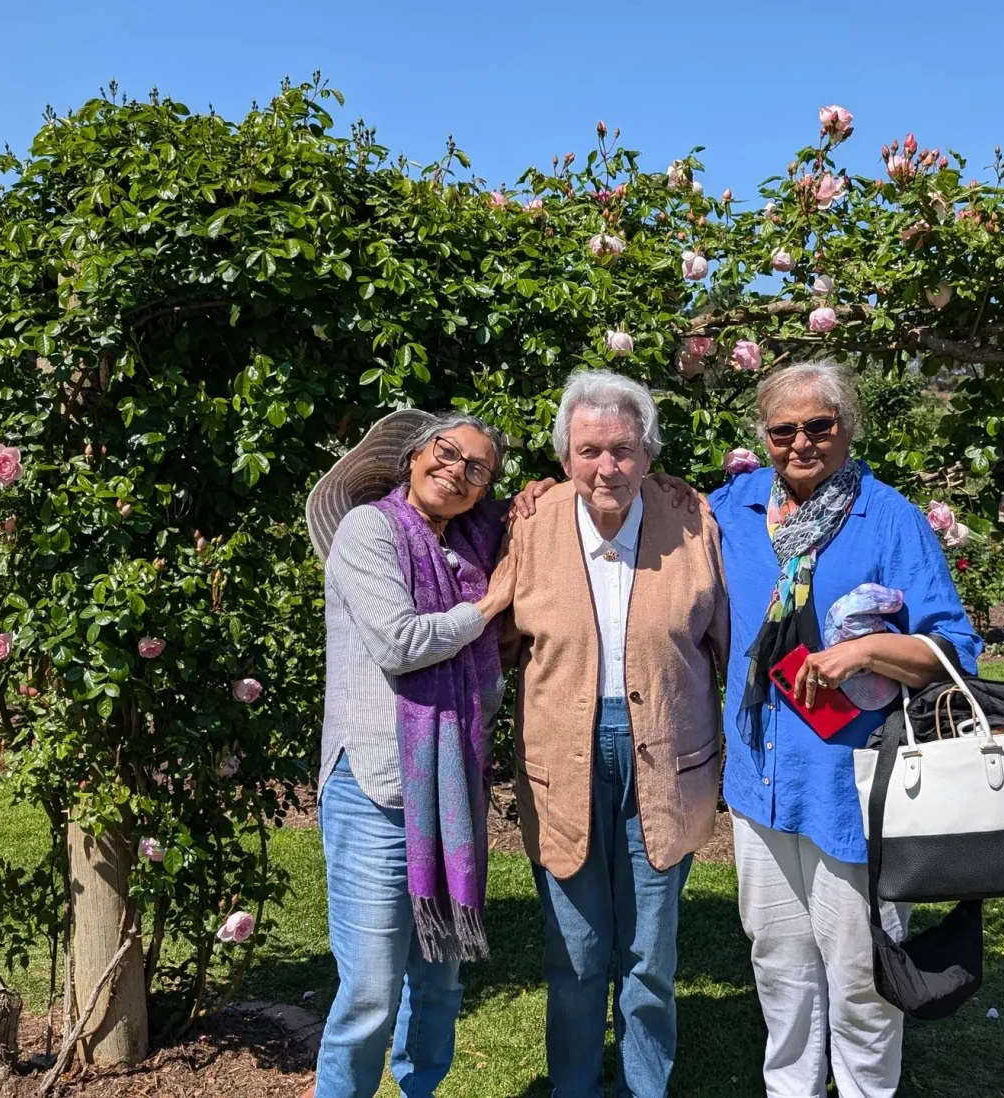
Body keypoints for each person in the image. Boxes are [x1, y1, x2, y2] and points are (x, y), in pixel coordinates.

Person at [708, 360, 983, 1098]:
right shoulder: (733, 508)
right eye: (783, 430)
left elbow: (953, 650)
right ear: (763, 439)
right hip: (760, 779)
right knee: (777, 959)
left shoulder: (887, 518)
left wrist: (865, 650)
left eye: (819, 426)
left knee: (862, 971)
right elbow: (650, 505)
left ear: (846, 428)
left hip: (851, 784)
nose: (802, 442)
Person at [502, 370, 730, 1098]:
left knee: (649, 954)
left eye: (624, 450)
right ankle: (574, 1087)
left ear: (649, 453)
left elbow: (729, 641)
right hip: (560, 760)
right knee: (575, 950)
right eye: (590, 449)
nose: (608, 467)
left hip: (667, 754)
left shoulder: (694, 522)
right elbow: (490, 638)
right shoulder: (527, 525)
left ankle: (644, 1088)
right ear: (564, 457)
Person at [304, 410, 544, 1098]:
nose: (458, 471)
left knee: (438, 979)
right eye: (447, 453)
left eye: (478, 469)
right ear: (412, 457)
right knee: (372, 991)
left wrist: (532, 498)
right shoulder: (368, 531)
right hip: (376, 786)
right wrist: (493, 602)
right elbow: (402, 644)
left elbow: (537, 514)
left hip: (448, 789)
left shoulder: (467, 547)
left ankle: (421, 1089)